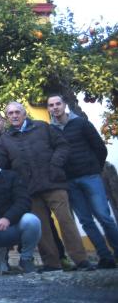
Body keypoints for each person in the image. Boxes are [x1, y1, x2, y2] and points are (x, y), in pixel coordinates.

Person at [0, 101, 93, 271]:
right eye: (10, 113)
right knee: (41, 228)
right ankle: (51, 263)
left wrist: (55, 165)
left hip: (53, 182)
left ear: (24, 113)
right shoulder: (5, 139)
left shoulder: (42, 127)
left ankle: (81, 260)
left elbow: (62, 145)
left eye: (17, 112)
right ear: (7, 117)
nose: (14, 115)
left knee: (66, 221)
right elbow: (0, 163)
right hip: (29, 189)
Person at [48, 94, 118, 269]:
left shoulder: (81, 123)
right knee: (86, 221)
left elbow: (100, 148)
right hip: (70, 182)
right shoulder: (50, 131)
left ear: (64, 105)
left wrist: (94, 168)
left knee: (104, 217)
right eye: (51, 105)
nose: (55, 107)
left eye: (58, 104)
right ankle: (105, 256)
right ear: (48, 108)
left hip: (90, 177)